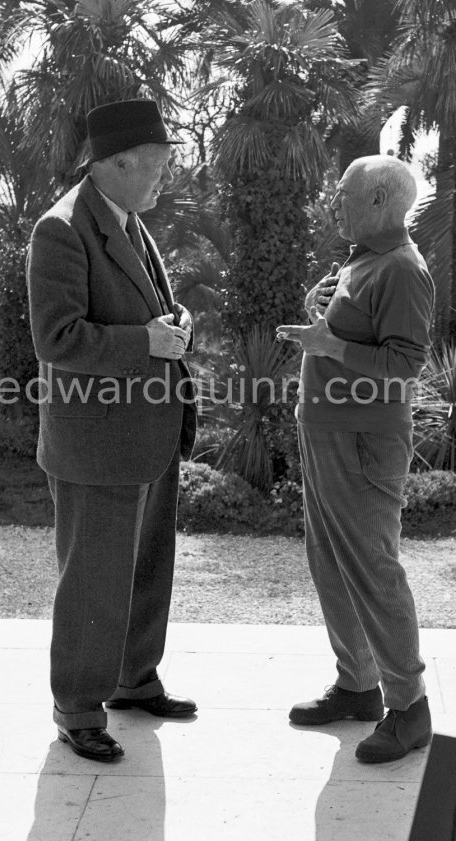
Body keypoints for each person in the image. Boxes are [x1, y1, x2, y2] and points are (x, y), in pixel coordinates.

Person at [26, 99, 198, 763]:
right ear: (118, 162)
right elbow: (57, 337)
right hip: (96, 446)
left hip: (148, 437)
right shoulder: (60, 229)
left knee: (148, 570)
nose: (165, 177)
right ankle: (77, 709)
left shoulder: (127, 219)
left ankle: (134, 680)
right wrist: (146, 341)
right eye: (157, 166)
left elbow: (146, 311)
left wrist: (173, 324)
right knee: (93, 582)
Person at [276, 155, 434, 763]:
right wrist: (321, 313)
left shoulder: (402, 269)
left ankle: (410, 710)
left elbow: (404, 364)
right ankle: (358, 686)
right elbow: (350, 333)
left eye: (342, 192)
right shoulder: (361, 259)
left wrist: (330, 343)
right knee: (331, 564)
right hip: (327, 434)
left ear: (377, 201)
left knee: (372, 569)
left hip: (364, 443)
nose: (332, 201)